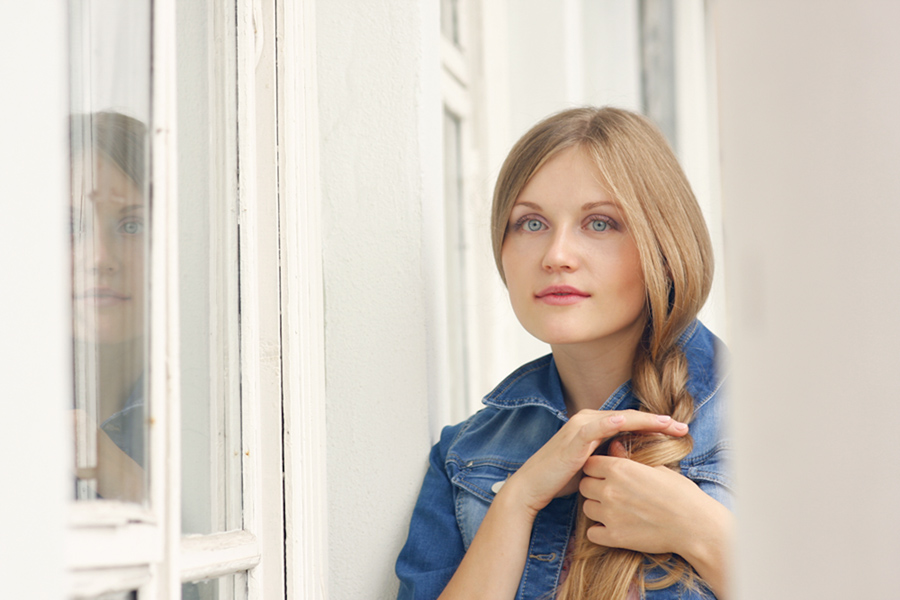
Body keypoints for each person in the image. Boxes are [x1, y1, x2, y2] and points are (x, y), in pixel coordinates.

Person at [395, 107, 733, 600]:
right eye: (531, 224)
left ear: (664, 245)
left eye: (599, 223)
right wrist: (518, 501)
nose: (556, 255)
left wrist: (703, 532)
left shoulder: (772, 427)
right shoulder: (464, 455)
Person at [71, 111, 148, 502]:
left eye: (132, 225)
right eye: (70, 227)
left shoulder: (224, 404)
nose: (100, 258)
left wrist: (115, 472)